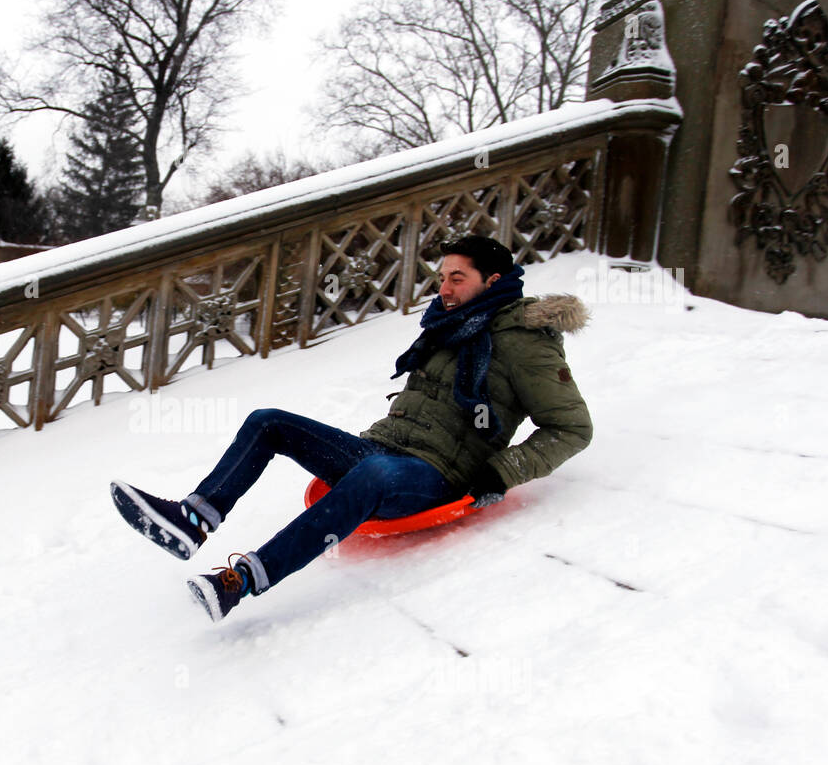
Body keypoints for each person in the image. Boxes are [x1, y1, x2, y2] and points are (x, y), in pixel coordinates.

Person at [110, 235, 593, 621]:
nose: (443, 288)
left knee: (374, 477)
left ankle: (240, 581)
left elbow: (571, 428)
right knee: (268, 422)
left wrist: (500, 474)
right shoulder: (449, 325)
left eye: (457, 278)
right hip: (382, 450)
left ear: (493, 280)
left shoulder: (525, 342)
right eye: (442, 276)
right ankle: (192, 520)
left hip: (442, 475)